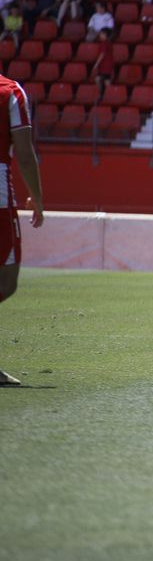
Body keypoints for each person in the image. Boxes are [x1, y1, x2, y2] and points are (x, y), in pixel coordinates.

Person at [1, 68, 44, 385]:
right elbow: (25, 152)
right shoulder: (10, 92)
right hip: (0, 201)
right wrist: (38, 198)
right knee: (6, 282)